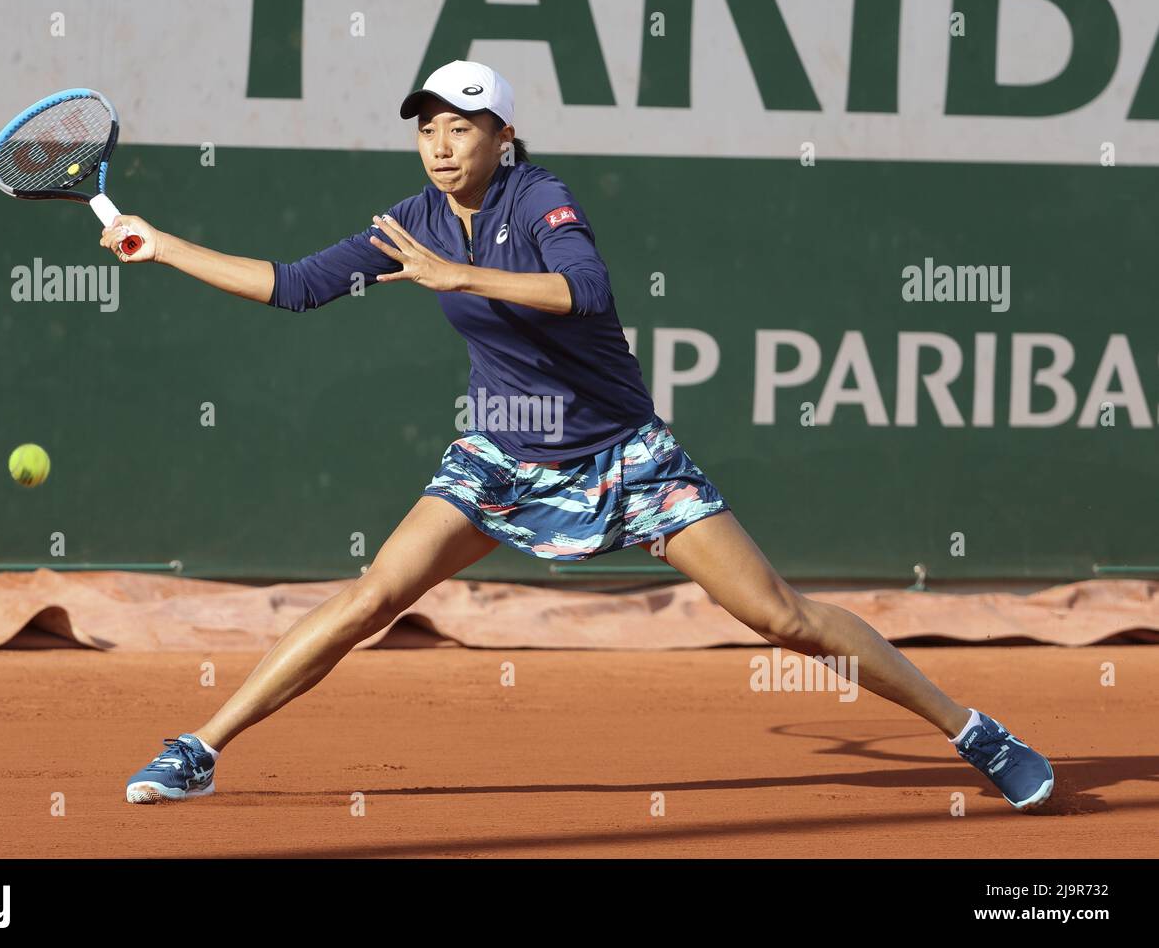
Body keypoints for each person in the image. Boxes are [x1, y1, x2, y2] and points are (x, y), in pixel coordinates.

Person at [104, 60, 1054, 812]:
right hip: (504, 451)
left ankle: (975, 732)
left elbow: (584, 292)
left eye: (461, 126)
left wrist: (457, 278)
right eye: (426, 128)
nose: (439, 146)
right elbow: (294, 286)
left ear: (502, 136)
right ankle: (200, 750)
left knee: (780, 618)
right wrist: (163, 245)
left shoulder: (539, 198)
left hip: (625, 454)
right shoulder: (412, 224)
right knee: (373, 596)